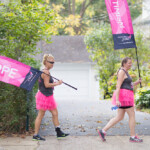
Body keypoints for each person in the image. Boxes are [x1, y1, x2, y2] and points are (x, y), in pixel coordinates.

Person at [97, 57, 143, 143]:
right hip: (124, 96)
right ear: (124, 63)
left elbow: (128, 84)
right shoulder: (122, 71)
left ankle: (103, 131)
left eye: (131, 63)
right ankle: (133, 137)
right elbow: (118, 86)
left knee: (119, 117)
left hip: (125, 96)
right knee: (132, 115)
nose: (131, 64)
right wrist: (117, 100)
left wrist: (136, 82)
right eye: (129, 63)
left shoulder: (125, 71)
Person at [32, 54, 69, 141]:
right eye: (51, 62)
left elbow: (46, 84)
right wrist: (57, 83)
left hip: (47, 95)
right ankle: (36, 135)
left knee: (55, 113)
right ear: (45, 62)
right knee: (41, 115)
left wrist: (55, 82)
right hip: (45, 96)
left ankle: (59, 132)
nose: (52, 64)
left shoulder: (45, 71)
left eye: (53, 62)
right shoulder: (46, 72)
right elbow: (47, 85)